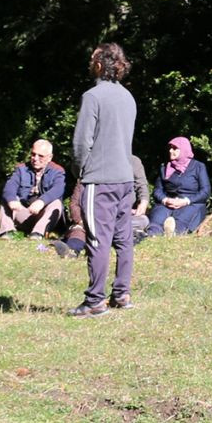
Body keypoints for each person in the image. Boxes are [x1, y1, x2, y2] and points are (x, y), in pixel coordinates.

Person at [68, 42, 139, 317]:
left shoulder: (92, 96)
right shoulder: (129, 98)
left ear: (99, 64)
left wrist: (81, 172)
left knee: (97, 239)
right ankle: (121, 294)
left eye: (92, 59)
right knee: (124, 240)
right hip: (125, 178)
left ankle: (95, 300)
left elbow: (81, 143)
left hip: (100, 179)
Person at [54, 155, 149, 258]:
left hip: (119, 218)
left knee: (142, 220)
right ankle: (72, 250)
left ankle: (126, 237)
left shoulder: (131, 163)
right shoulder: (88, 173)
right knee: (78, 230)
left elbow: (141, 185)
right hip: (91, 218)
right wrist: (81, 220)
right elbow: (74, 203)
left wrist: (143, 203)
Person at [0, 139, 66, 239]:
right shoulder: (21, 169)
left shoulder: (58, 171)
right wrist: (12, 200)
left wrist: (42, 201)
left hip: (43, 216)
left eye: (40, 156)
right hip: (24, 212)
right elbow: (9, 187)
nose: (35, 158)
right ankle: (7, 232)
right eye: (33, 154)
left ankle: (37, 233)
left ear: (50, 157)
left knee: (56, 203)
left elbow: (58, 189)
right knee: (7, 198)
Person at [146, 136, 210, 237]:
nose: (171, 150)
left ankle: (174, 232)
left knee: (184, 218)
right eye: (170, 148)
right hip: (169, 202)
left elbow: (205, 192)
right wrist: (165, 200)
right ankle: (153, 233)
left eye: (175, 148)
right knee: (157, 218)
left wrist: (185, 201)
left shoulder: (198, 167)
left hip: (191, 203)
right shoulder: (164, 168)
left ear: (184, 149)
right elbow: (158, 190)